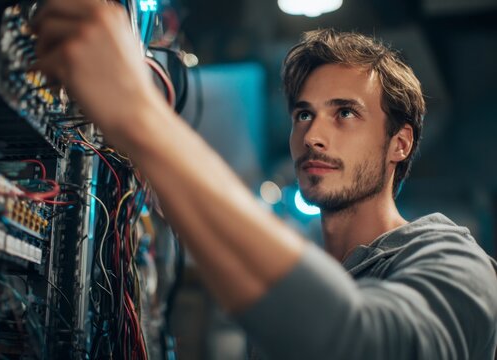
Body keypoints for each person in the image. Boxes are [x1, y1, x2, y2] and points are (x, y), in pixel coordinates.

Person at [34, 1, 497, 358]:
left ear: (400, 143)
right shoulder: (298, 285)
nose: (313, 135)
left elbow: (361, 344)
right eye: (303, 114)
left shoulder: (454, 261)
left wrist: (137, 113)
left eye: (345, 114)